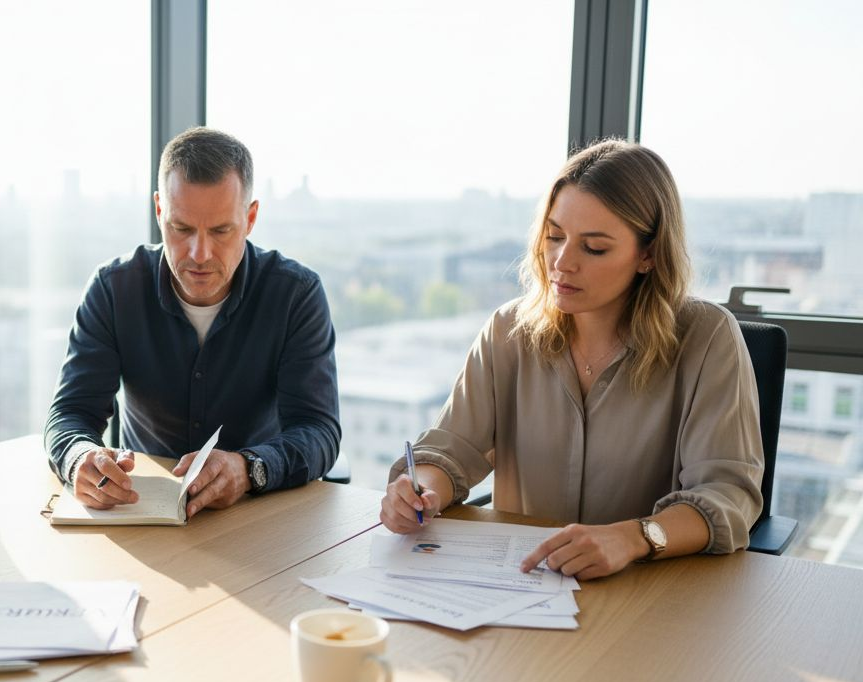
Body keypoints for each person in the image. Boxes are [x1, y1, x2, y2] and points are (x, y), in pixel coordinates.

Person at [380, 139, 763, 580]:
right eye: (555, 237)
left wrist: (634, 537)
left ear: (648, 254)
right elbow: (450, 450)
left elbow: (728, 495)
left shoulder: (708, 337)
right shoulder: (508, 330)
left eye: (594, 248)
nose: (562, 262)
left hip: (647, 592)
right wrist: (419, 491)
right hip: (523, 587)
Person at [45, 127, 341, 517]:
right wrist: (79, 457)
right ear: (158, 211)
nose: (200, 254)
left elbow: (318, 430)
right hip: (141, 512)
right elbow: (71, 412)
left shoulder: (295, 294)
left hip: (256, 515)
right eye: (181, 229)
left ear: (250, 218)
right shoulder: (114, 289)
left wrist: (249, 468)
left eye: (221, 231)